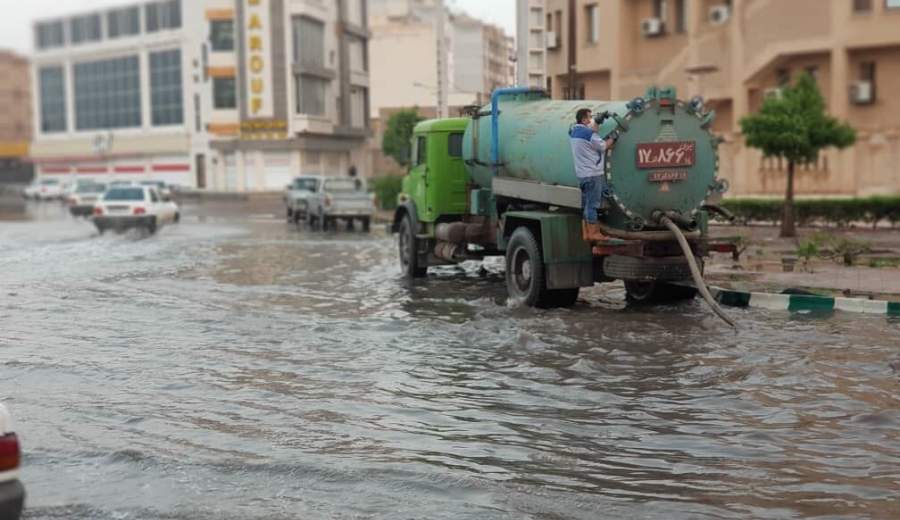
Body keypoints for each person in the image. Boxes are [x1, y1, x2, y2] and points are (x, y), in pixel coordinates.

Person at [569, 108, 617, 242]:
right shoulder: (589, 134)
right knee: (593, 205)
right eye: (590, 118)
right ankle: (594, 233)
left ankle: (586, 232)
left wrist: (597, 122)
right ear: (584, 120)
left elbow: (591, 132)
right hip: (593, 174)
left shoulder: (574, 131)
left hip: (583, 175)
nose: (591, 120)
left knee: (586, 205)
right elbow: (602, 146)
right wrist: (613, 138)